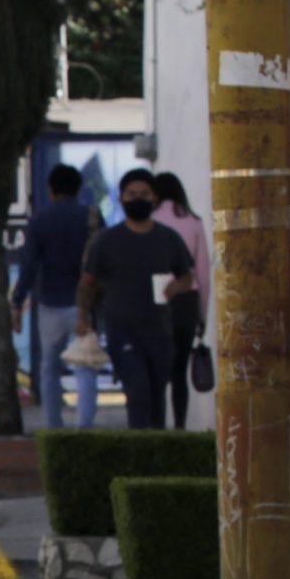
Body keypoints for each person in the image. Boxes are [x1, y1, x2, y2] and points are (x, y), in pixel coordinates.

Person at [77, 167, 199, 431]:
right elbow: (88, 283)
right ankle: (139, 448)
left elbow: (187, 276)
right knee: (138, 392)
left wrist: (176, 288)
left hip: (160, 331)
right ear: (121, 199)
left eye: (144, 194)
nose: (138, 199)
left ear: (155, 199)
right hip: (122, 331)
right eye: (131, 194)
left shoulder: (168, 238)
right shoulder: (107, 241)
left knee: (157, 397)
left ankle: (155, 456)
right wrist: (82, 319)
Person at [11, 163, 99, 431]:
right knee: (85, 365)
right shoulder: (90, 217)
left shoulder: (39, 220)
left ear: (50, 190)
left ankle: (54, 426)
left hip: (49, 302)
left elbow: (28, 265)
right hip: (82, 305)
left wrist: (17, 302)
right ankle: (84, 427)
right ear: (77, 188)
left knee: (49, 368)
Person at [152, 172, 213, 430]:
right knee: (179, 374)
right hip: (187, 303)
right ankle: (179, 427)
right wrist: (202, 315)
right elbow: (203, 274)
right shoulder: (194, 222)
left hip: (157, 301)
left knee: (156, 371)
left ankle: (156, 429)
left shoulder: (149, 221)